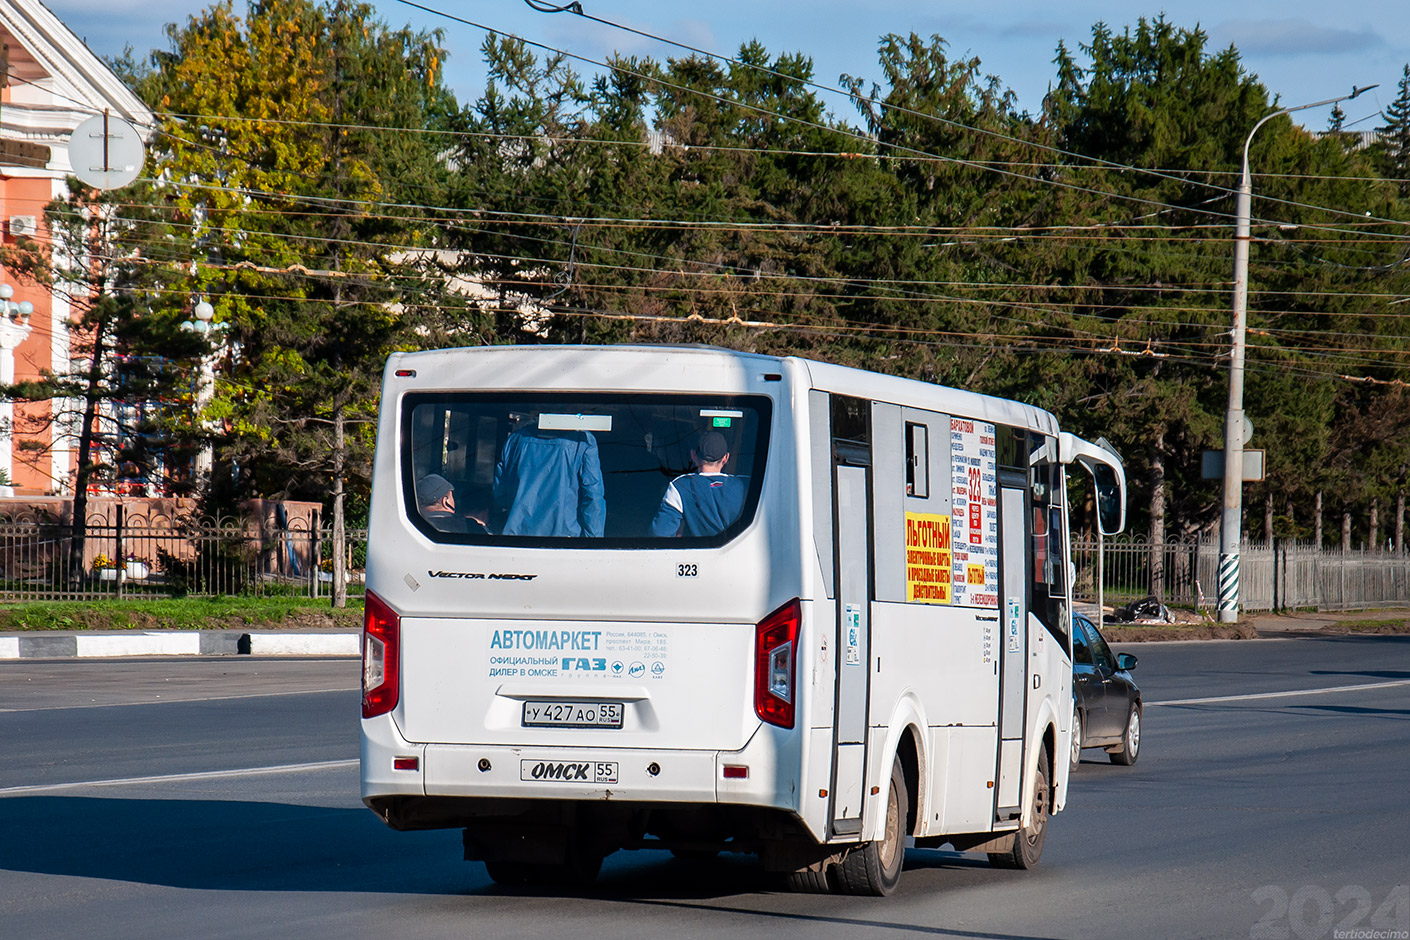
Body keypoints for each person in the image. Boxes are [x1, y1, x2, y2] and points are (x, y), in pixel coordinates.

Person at [493, 423, 606, 537]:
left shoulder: (516, 439)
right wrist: (592, 542)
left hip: (517, 536)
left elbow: (500, 493)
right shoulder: (583, 441)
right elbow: (593, 496)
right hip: (563, 539)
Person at [650, 430, 748, 538]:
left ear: (693, 455)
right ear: (726, 458)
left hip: (698, 553)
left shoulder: (680, 486)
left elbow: (660, 534)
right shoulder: (746, 485)